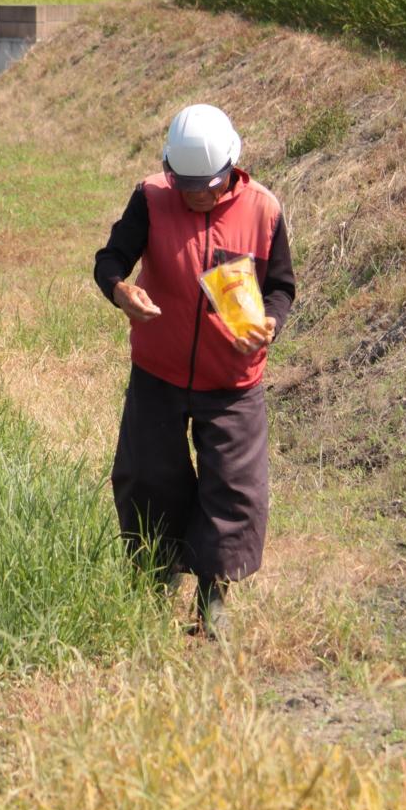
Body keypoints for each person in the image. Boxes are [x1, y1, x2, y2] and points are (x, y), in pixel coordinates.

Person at [93, 104, 296, 639]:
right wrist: (121, 291)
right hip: (158, 372)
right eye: (184, 184)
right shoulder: (152, 197)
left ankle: (212, 603)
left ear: (233, 164)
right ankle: (151, 586)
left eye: (206, 185)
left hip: (232, 380)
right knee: (148, 477)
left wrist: (270, 322)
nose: (195, 195)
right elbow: (110, 258)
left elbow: (280, 287)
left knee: (232, 491)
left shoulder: (264, 210)